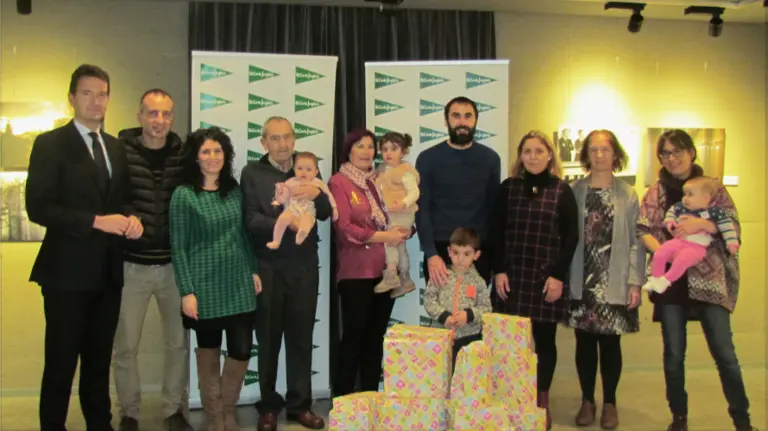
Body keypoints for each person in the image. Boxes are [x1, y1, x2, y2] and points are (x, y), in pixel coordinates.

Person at [25, 64, 143, 431]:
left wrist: (131, 218)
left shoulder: (115, 147)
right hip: (65, 274)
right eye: (88, 93)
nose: (96, 100)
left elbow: (121, 199)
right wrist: (96, 221)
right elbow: (39, 207)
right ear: (72, 98)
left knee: (98, 360)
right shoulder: (50, 143)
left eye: (103, 93)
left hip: (108, 272)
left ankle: (99, 424)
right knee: (61, 363)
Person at [637, 129, 756, 431]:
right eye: (665, 152)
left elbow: (734, 228)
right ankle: (679, 417)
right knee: (674, 354)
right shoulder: (656, 192)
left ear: (691, 152)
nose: (671, 158)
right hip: (672, 282)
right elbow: (643, 230)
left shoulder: (713, 188)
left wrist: (705, 224)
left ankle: (742, 421)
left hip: (710, 278)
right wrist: (667, 252)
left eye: (677, 151)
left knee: (724, 353)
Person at [240, 116, 331, 431]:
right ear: (264, 143)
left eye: (287, 137)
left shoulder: (305, 168)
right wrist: (287, 222)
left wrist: (314, 191)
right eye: (274, 139)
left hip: (304, 267)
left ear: (294, 139)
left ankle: (300, 405)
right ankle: (267, 406)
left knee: (301, 338)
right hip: (268, 267)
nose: (282, 144)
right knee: (267, 339)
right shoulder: (252, 173)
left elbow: (328, 212)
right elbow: (250, 219)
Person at [169, 127, 260, 431]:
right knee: (208, 350)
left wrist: (253, 270)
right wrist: (187, 291)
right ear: (195, 157)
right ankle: (215, 418)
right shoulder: (183, 195)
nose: (212, 157)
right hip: (203, 285)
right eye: (206, 151)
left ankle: (227, 410)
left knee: (242, 349)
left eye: (218, 150)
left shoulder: (233, 190)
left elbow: (243, 236)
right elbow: (178, 247)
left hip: (237, 282)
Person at [112, 89, 192, 431]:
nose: (160, 121)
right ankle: (129, 412)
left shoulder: (183, 154)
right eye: (152, 113)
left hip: (174, 267)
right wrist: (128, 215)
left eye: (166, 114)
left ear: (172, 118)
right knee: (125, 346)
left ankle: (174, 410)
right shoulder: (119, 152)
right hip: (132, 265)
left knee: (177, 344)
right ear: (140, 115)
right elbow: (112, 196)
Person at [491, 130, 579, 431]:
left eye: (539, 151)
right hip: (512, 277)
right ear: (520, 156)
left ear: (550, 155)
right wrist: (499, 270)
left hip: (545, 278)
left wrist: (557, 276)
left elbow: (571, 238)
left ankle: (541, 400)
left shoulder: (561, 191)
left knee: (544, 342)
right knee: (512, 343)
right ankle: (514, 399)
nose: (532, 157)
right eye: (527, 151)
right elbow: (496, 231)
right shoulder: (508, 188)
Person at [567, 130, 643, 429]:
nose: (599, 155)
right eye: (594, 149)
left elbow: (637, 239)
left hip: (615, 280)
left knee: (611, 345)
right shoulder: (573, 191)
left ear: (615, 154)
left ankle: (610, 402)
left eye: (605, 149)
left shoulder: (628, 193)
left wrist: (635, 282)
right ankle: (587, 400)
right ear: (586, 155)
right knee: (584, 343)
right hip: (582, 280)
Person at [328, 128, 410, 397]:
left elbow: (394, 215)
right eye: (360, 146)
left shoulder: (378, 181)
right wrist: (384, 235)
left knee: (375, 338)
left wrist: (406, 230)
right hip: (356, 273)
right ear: (348, 151)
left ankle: (370, 399)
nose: (367, 151)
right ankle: (343, 400)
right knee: (354, 337)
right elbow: (345, 229)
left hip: (386, 270)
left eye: (370, 146)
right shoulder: (338, 182)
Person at [415, 96, 500, 291]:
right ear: (446, 121)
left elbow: (494, 212)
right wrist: (431, 254)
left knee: (473, 317)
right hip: (440, 253)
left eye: (468, 116)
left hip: (478, 253)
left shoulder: (491, 159)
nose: (462, 122)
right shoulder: (427, 159)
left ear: (475, 121)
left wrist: (494, 260)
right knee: (444, 317)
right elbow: (422, 210)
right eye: (456, 116)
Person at [643, 176, 739, 294]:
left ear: (706, 198)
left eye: (690, 194)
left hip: (697, 247)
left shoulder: (714, 212)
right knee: (660, 253)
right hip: (678, 241)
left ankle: (666, 280)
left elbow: (728, 227)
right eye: (685, 194)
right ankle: (655, 279)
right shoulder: (679, 207)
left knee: (682, 259)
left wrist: (731, 242)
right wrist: (670, 223)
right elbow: (669, 216)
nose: (685, 198)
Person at [423, 227, 492, 370]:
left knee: (464, 380)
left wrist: (469, 315)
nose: (460, 259)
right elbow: (429, 300)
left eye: (466, 254)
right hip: (440, 337)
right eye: (456, 253)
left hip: (469, 340)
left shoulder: (478, 281)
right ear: (449, 252)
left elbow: (486, 309)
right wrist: (444, 317)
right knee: (439, 377)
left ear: (476, 255)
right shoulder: (441, 275)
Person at [373, 131, 420, 297]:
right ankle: (405, 279)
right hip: (391, 214)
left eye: (393, 149)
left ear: (404, 151)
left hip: (401, 214)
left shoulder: (405, 171)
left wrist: (402, 204)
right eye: (384, 149)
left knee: (390, 242)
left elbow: (414, 192)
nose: (388, 153)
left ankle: (391, 274)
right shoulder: (382, 170)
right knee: (399, 246)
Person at [267, 151, 338, 249]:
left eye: (308, 169)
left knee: (307, 220)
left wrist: (334, 208)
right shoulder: (290, 182)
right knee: (282, 219)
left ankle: (302, 233)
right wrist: (279, 198)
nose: (303, 172)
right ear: (294, 169)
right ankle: (276, 241)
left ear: (316, 172)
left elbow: (329, 196)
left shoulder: (318, 183)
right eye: (300, 168)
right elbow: (284, 196)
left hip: (308, 210)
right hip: (293, 208)